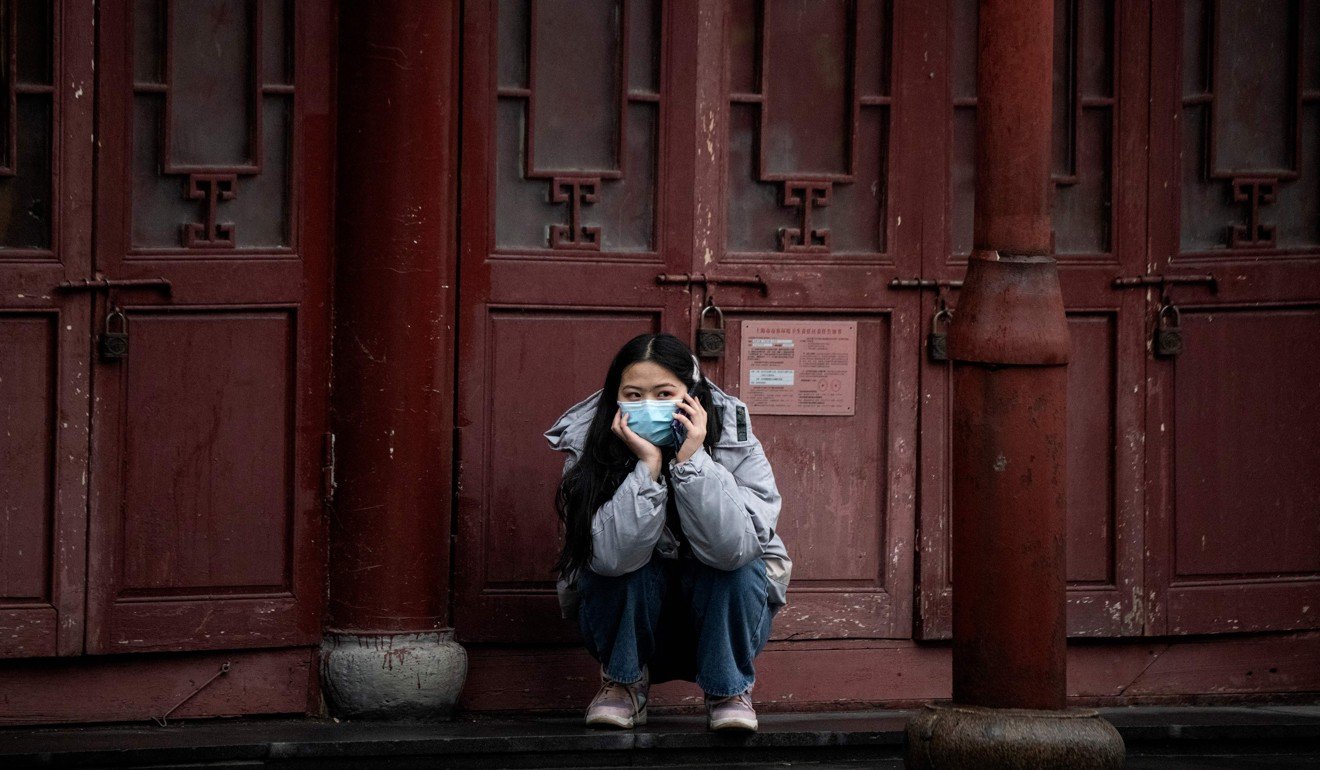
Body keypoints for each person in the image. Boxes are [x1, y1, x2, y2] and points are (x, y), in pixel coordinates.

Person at [544, 333, 792, 732]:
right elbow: (607, 558)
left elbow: (733, 549)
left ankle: (728, 690)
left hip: (718, 616)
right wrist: (647, 467)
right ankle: (622, 684)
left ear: (691, 395)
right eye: (634, 394)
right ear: (616, 398)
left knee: (740, 568)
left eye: (664, 394)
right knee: (622, 564)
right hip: (632, 615)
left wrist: (693, 461)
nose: (649, 406)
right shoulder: (588, 443)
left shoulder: (734, 437)